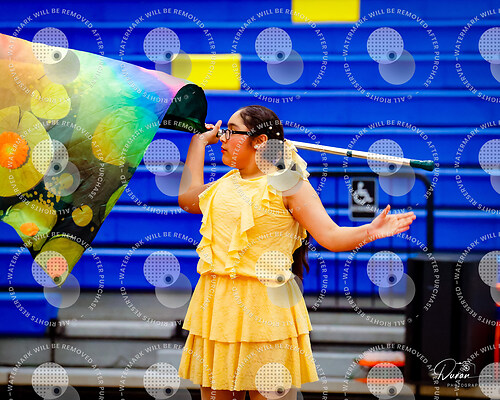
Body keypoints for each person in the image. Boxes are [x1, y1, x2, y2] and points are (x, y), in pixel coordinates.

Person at [177, 105, 416, 400]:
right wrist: (198, 142)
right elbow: (187, 199)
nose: (222, 137)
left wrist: (370, 230)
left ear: (259, 141)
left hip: (267, 309)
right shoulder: (224, 185)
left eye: (231, 131)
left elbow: (331, 236)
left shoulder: (289, 185)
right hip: (218, 307)